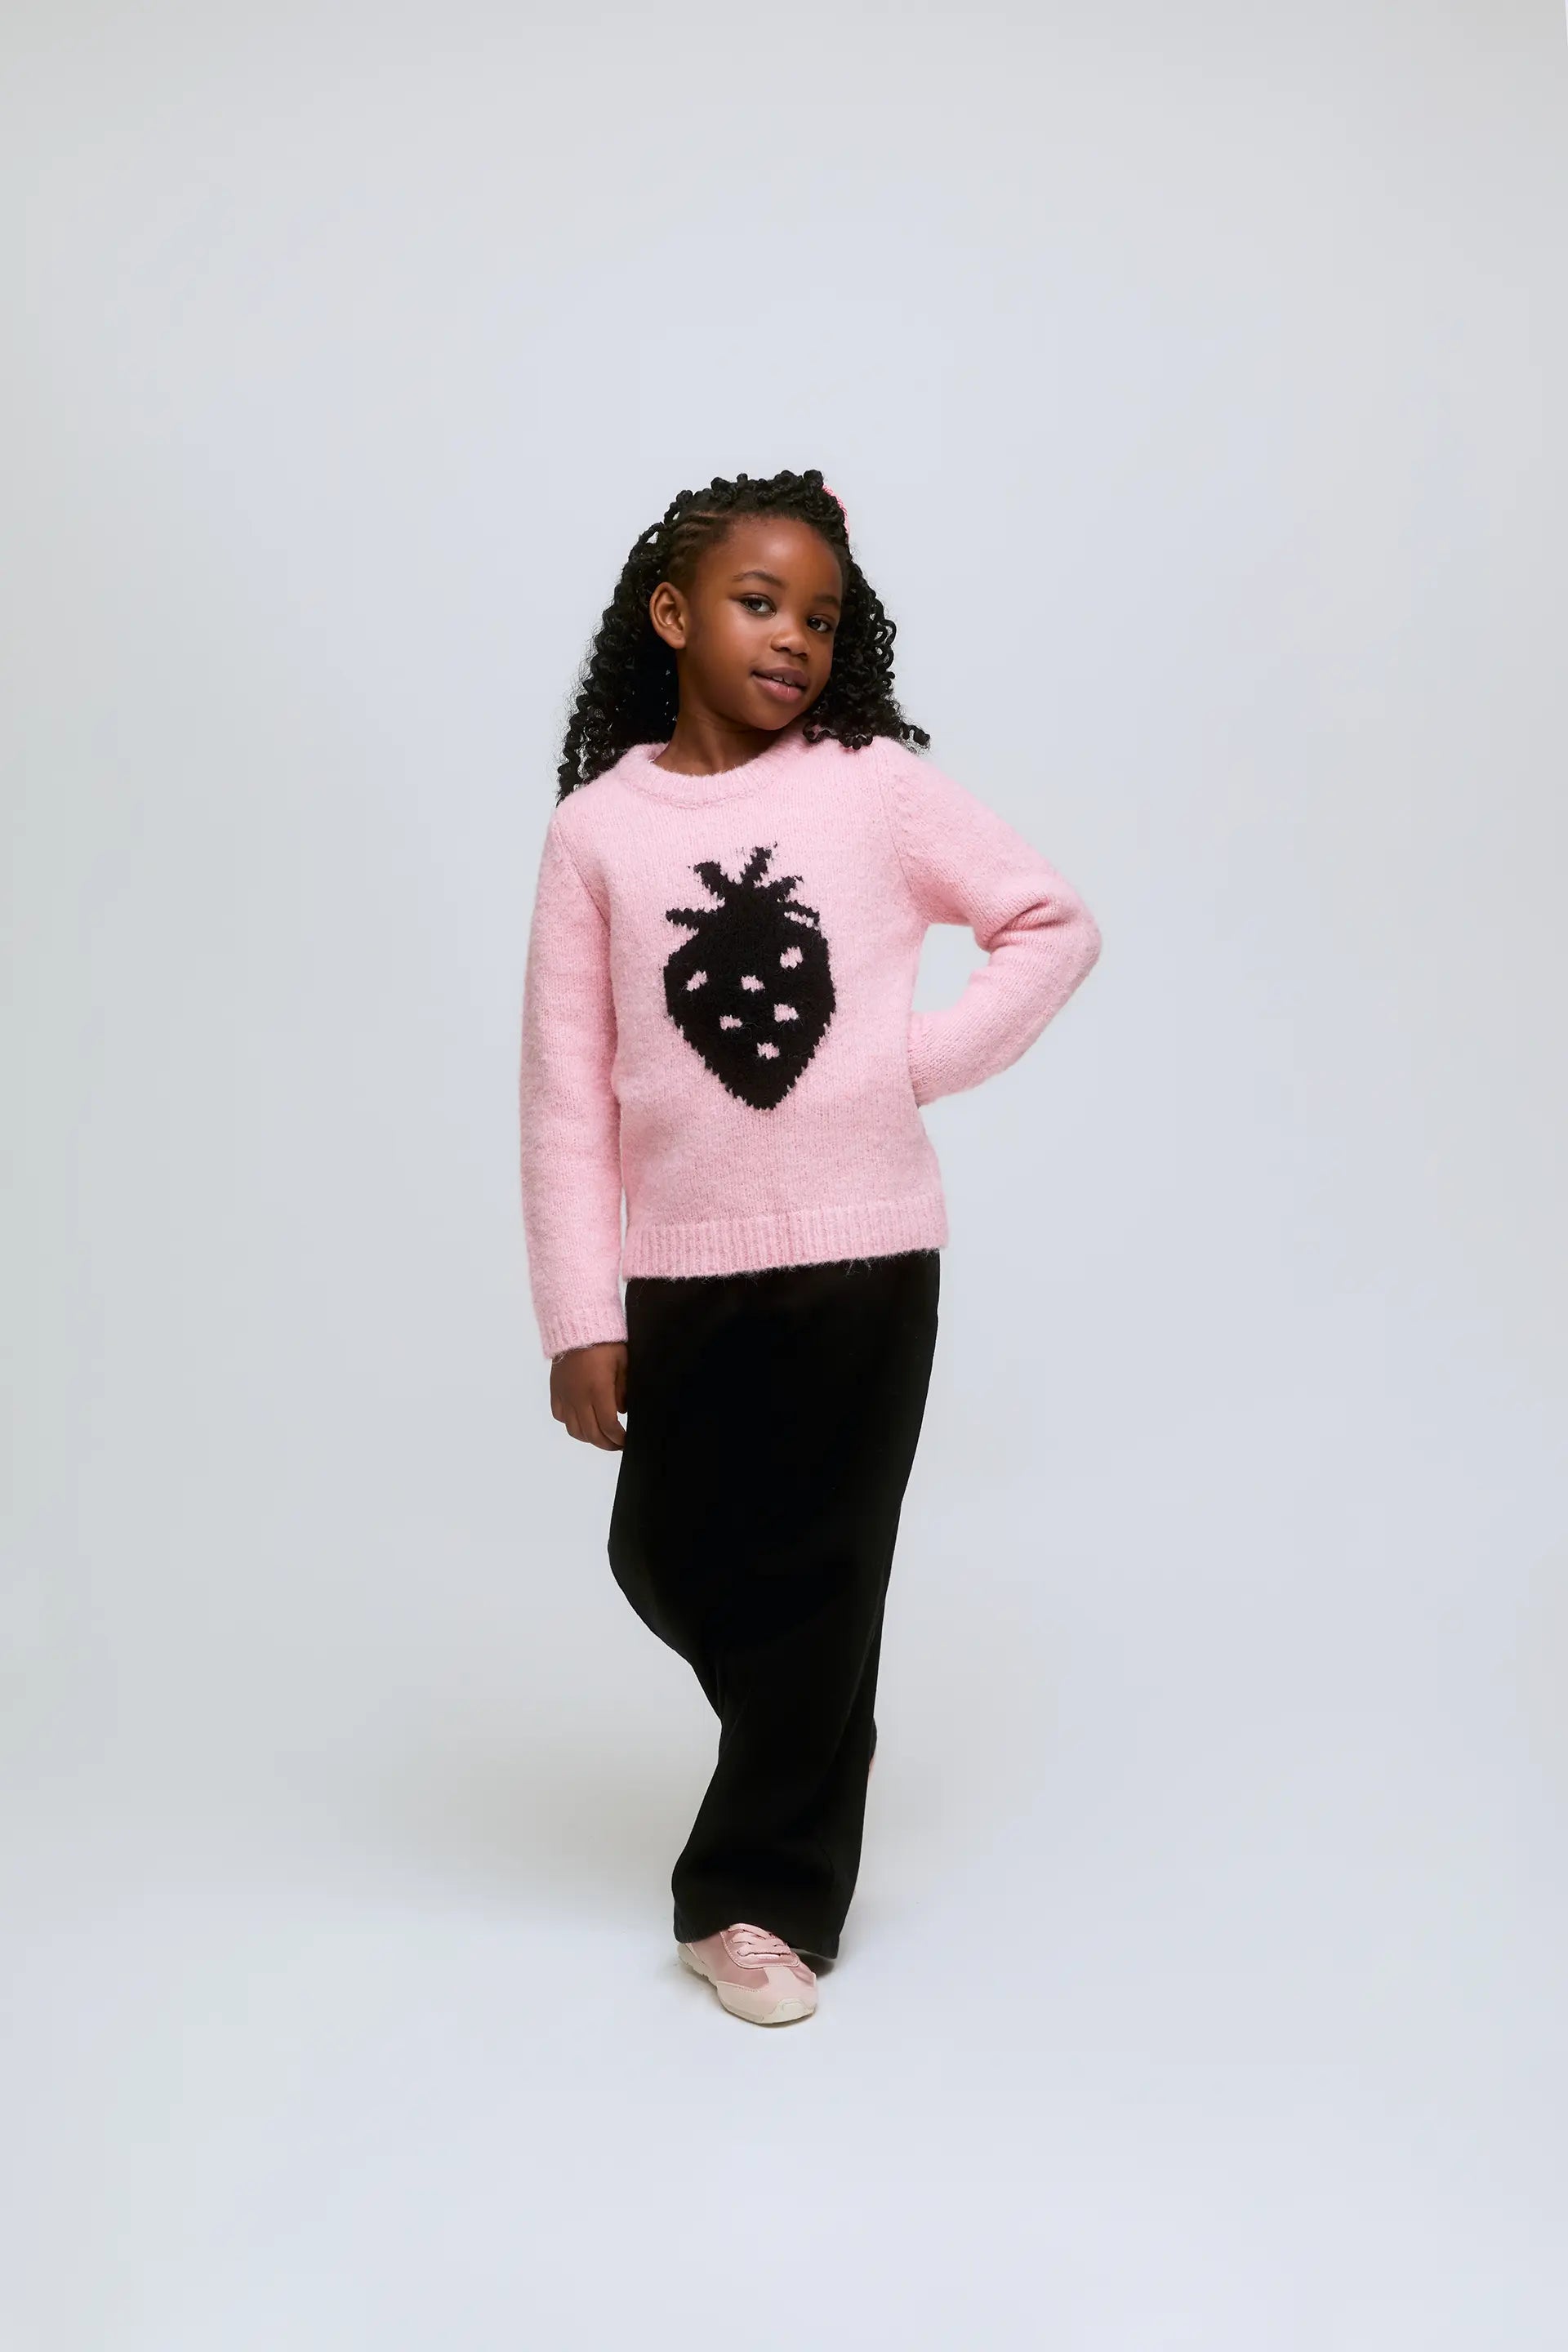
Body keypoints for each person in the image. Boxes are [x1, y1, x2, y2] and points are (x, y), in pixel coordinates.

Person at [518, 467, 1101, 2026]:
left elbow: (1048, 922)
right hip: (685, 1270)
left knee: (828, 1578)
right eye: (760, 603)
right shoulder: (597, 832)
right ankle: (812, 1722)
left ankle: (754, 1901)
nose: (794, 638)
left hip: (868, 1260)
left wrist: (910, 1060)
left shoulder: (869, 785)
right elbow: (566, 1094)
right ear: (673, 614)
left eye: (823, 618)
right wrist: (580, 1312)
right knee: (663, 1551)